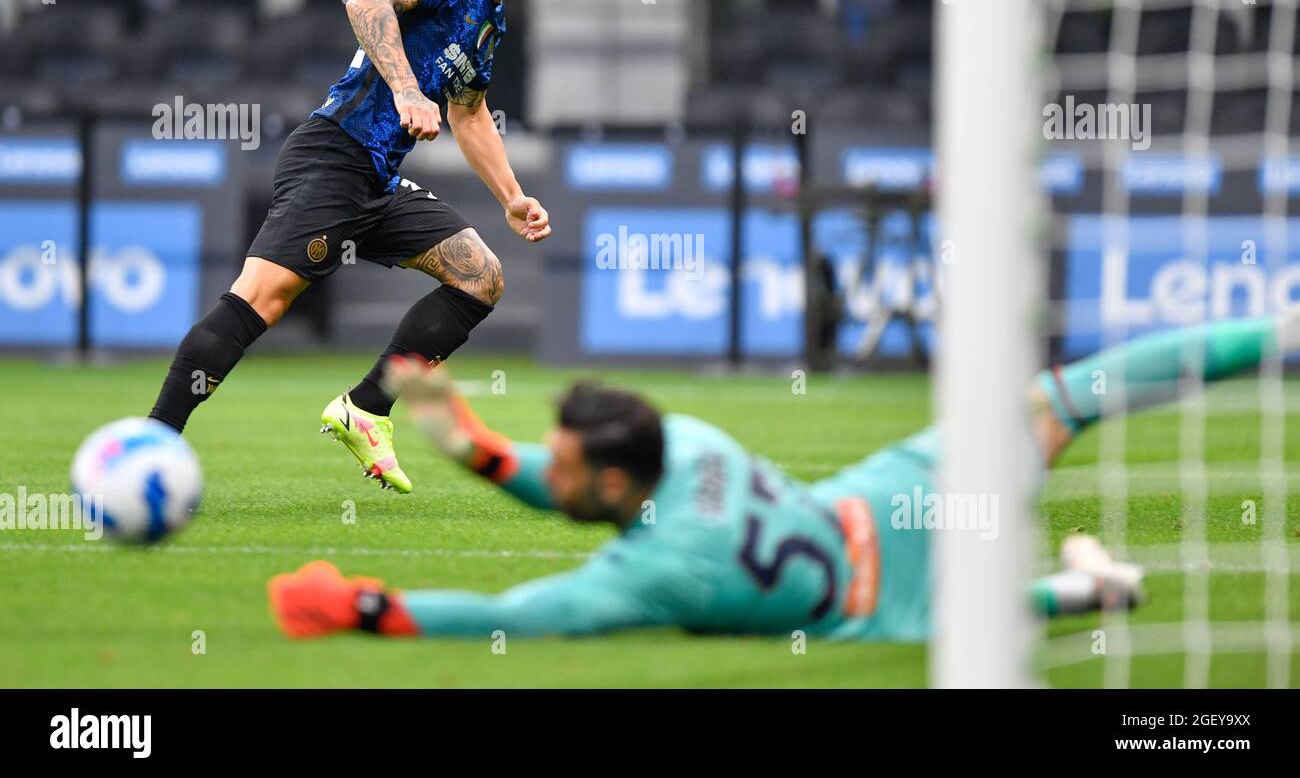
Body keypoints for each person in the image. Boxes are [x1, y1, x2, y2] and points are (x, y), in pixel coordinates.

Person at [268, 315, 1293, 639]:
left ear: (620, 485)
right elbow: (556, 481)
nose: (556, 468)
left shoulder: (661, 567)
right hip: (884, 498)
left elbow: (529, 614)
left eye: (570, 461)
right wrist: (475, 442)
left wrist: (364, 604)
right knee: (1060, 398)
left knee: (969, 620)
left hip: (876, 608)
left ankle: (1081, 584)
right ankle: (1269, 335)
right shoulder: (694, 440)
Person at [147, 0, 555, 493]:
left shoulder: (490, 22)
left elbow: (469, 112)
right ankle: (151, 446)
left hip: (380, 178)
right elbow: (367, 4)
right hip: (333, 157)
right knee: (262, 299)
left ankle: (365, 408)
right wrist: (407, 90)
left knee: (480, 276)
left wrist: (511, 196)